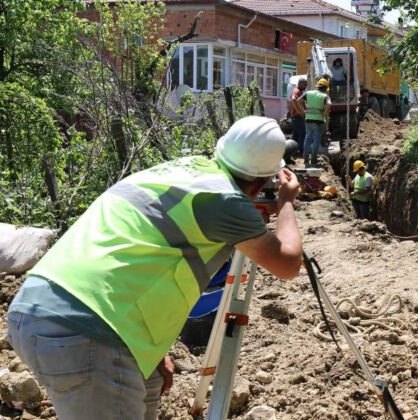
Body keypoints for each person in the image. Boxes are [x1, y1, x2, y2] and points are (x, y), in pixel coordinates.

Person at [6, 116, 303, 420]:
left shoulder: (182, 170)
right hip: (85, 330)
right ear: (262, 181)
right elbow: (288, 263)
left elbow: (135, 255)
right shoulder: (227, 200)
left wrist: (152, 352)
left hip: (36, 307)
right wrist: (286, 202)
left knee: (150, 381)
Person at [304, 78, 331, 167]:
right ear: (325, 88)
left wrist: (302, 111)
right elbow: (329, 104)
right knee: (316, 141)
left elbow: (298, 100)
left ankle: (306, 160)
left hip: (308, 119)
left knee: (307, 139)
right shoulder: (324, 96)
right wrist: (324, 113)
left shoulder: (308, 93)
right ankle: (314, 160)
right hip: (319, 120)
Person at [289, 77, 307, 155]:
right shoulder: (297, 91)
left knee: (296, 136)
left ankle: (293, 152)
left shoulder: (299, 92)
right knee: (302, 135)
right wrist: (300, 112)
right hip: (298, 117)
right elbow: (293, 100)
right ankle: (301, 152)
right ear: (300, 83)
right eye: (304, 84)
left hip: (296, 117)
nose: (305, 86)